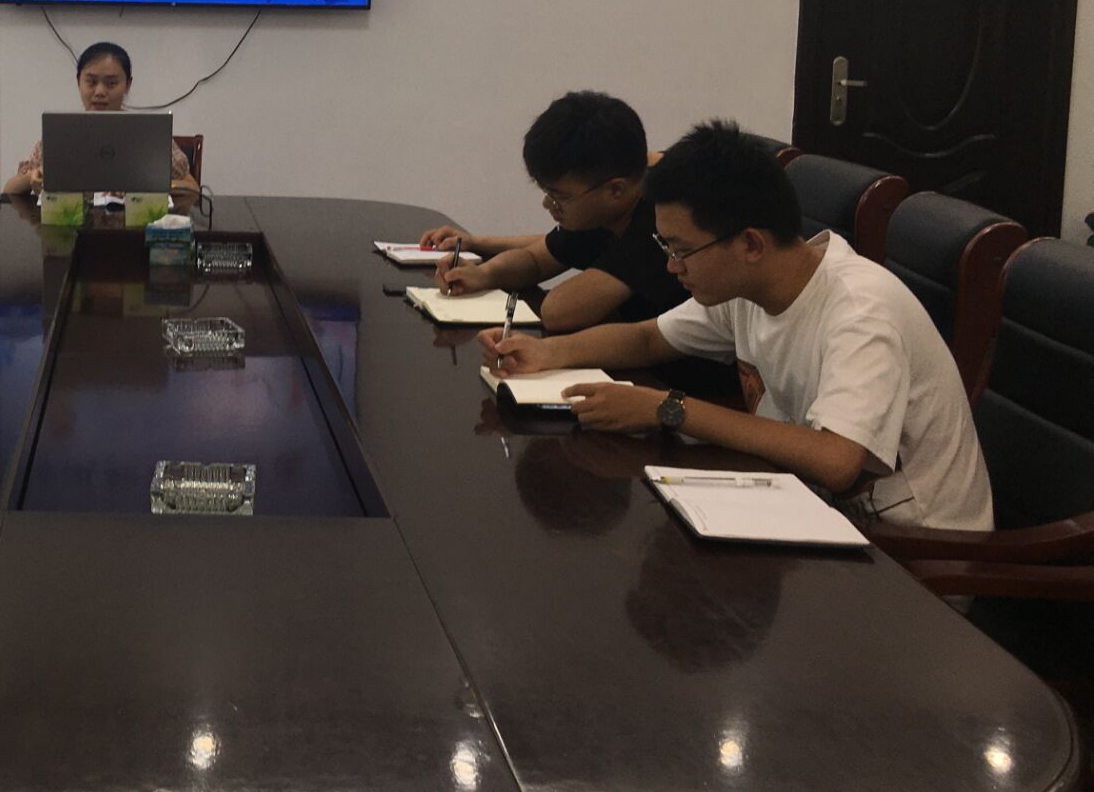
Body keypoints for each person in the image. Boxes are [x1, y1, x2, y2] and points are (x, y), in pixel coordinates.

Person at [482, 121, 993, 530]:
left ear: (750, 244)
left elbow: (837, 460)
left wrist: (667, 408)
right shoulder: (750, 284)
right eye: (665, 247)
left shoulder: (860, 311)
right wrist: (545, 353)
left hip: (913, 555)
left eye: (681, 250)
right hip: (812, 512)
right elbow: (648, 338)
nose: (671, 267)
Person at [421, 91, 684, 334]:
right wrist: (483, 275)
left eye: (559, 197)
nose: (548, 204)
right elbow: (535, 260)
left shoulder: (668, 215)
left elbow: (558, 312)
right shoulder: (611, 191)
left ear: (616, 189)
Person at [1, 41, 198, 197]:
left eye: (111, 83)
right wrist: (33, 177)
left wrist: (150, 185)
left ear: (127, 85)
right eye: (91, 82)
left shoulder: (147, 132)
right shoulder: (62, 131)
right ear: (78, 81)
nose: (100, 92)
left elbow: (192, 188)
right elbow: (9, 190)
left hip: (135, 230)